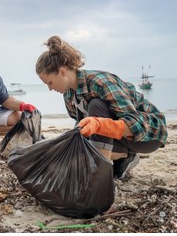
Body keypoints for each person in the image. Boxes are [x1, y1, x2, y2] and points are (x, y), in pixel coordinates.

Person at [35, 35, 168, 180]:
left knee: (96, 105)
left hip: (148, 135)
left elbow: (138, 125)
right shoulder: (68, 95)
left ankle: (100, 175)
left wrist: (100, 125)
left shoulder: (100, 83)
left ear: (62, 71)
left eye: (50, 82)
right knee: (76, 144)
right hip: (119, 138)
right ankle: (124, 157)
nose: (49, 88)